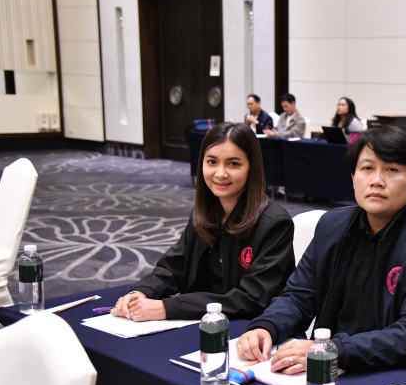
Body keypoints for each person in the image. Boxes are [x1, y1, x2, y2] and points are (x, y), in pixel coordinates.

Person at [237, 125, 406, 377]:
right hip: (335, 366)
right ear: (353, 177)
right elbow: (299, 295)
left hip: (403, 376)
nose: (377, 181)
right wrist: (266, 326)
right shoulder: (332, 226)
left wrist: (332, 350)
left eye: (391, 170)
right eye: (367, 168)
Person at [112, 122, 296, 321]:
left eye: (233, 164)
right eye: (212, 162)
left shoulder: (274, 223)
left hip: (246, 328)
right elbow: (172, 267)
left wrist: (168, 308)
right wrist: (141, 291)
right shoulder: (204, 213)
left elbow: (251, 299)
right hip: (198, 321)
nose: (220, 173)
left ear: (252, 167)